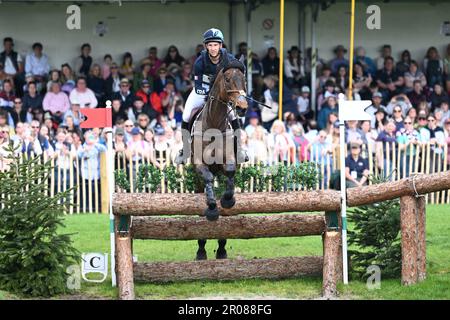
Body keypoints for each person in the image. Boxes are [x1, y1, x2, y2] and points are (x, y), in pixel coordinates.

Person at [175, 28, 247, 164]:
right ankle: (185, 149)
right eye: (210, 45)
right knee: (186, 114)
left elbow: (237, 74)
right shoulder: (199, 62)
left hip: (221, 92)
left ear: (220, 45)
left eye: (215, 44)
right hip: (202, 90)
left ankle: (239, 149)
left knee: (232, 115)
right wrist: (209, 95)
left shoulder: (229, 59)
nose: (213, 48)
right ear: (206, 46)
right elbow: (198, 84)